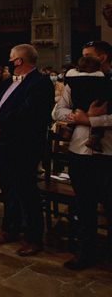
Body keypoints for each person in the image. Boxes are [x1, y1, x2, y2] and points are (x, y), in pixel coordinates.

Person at [0, 44, 54, 256]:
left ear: (20, 61)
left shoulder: (40, 84)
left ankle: (34, 238)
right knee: (9, 189)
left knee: (27, 191)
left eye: (12, 58)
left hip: (24, 146)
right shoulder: (7, 82)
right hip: (2, 143)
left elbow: (27, 114)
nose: (10, 61)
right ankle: (10, 229)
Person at [55, 41, 112, 270]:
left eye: (88, 56)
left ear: (104, 57)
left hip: (108, 152)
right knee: (84, 205)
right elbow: (58, 111)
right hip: (79, 149)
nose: (83, 60)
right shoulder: (75, 80)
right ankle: (86, 253)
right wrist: (78, 118)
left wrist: (92, 120)